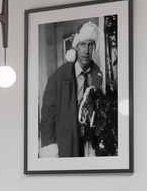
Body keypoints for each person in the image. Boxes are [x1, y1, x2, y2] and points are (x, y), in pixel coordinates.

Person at [39, 21, 102, 157]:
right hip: (66, 143)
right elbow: (47, 119)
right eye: (83, 44)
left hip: (89, 144)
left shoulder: (98, 77)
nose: (86, 50)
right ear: (76, 47)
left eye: (90, 45)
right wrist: (50, 150)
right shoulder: (58, 77)